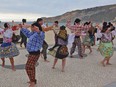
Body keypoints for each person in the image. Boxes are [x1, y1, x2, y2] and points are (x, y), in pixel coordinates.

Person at [20, 23, 45, 87]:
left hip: (35, 53)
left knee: (28, 67)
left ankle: (32, 82)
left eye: (32, 27)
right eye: (32, 27)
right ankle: (33, 80)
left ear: (36, 27)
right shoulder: (33, 33)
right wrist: (22, 27)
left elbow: (41, 35)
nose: (31, 28)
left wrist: (38, 30)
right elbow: (28, 34)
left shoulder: (41, 33)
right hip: (31, 53)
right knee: (32, 67)